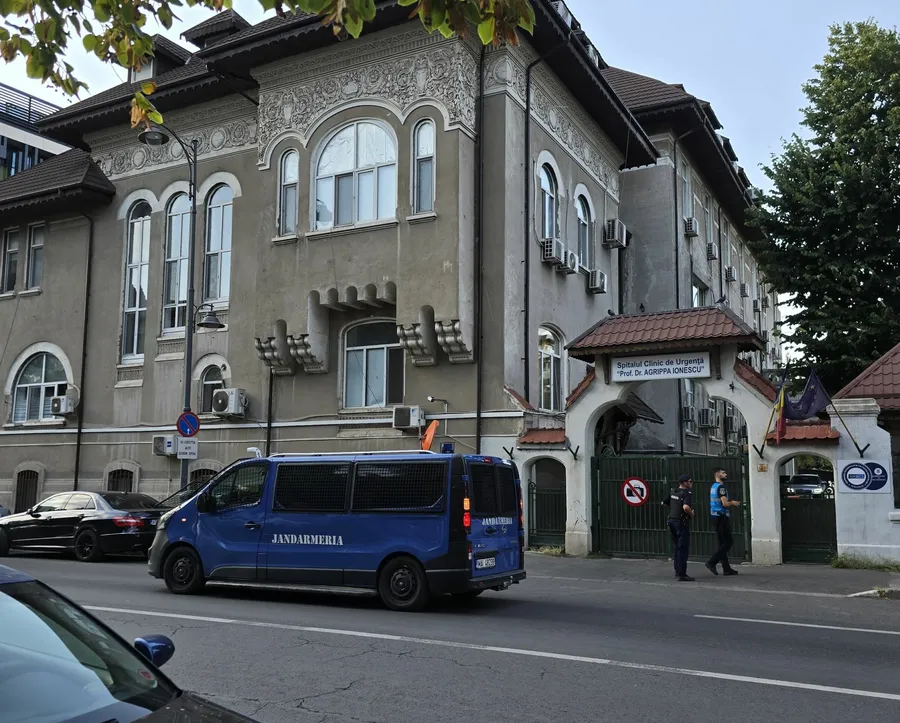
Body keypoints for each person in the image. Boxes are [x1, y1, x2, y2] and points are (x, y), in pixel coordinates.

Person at [705, 467, 741, 576]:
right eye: (723, 473)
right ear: (717, 475)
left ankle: (726, 568)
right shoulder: (721, 488)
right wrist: (733, 503)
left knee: (722, 543)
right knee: (728, 542)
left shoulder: (713, 486)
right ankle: (712, 562)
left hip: (715, 515)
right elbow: (725, 504)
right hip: (721, 516)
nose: (726, 474)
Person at [667, 474, 695, 581]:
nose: (691, 483)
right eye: (690, 481)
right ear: (684, 483)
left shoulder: (673, 491)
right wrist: (691, 514)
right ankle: (682, 574)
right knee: (682, 548)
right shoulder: (686, 493)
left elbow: (664, 503)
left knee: (676, 547)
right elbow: (686, 507)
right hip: (681, 523)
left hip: (671, 521)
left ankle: (677, 571)